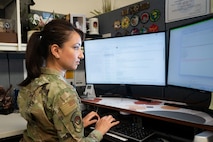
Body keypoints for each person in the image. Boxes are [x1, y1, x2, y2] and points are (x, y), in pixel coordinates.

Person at [18, 19, 119, 142]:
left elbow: (46, 128)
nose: (81, 55)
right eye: (76, 47)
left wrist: (77, 125)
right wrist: (99, 131)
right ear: (56, 50)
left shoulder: (33, 81)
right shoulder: (63, 93)